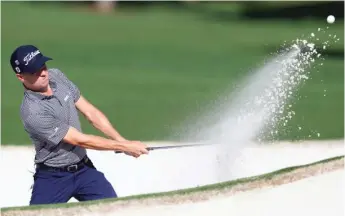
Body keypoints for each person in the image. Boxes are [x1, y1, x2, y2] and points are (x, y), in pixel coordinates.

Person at [9, 44, 149, 205]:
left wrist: (122, 141)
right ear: (21, 77)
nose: (43, 73)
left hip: (84, 170)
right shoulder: (32, 111)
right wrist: (125, 147)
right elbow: (80, 140)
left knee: (113, 209)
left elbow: (91, 113)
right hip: (53, 178)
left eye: (43, 66)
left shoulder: (57, 76)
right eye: (35, 71)